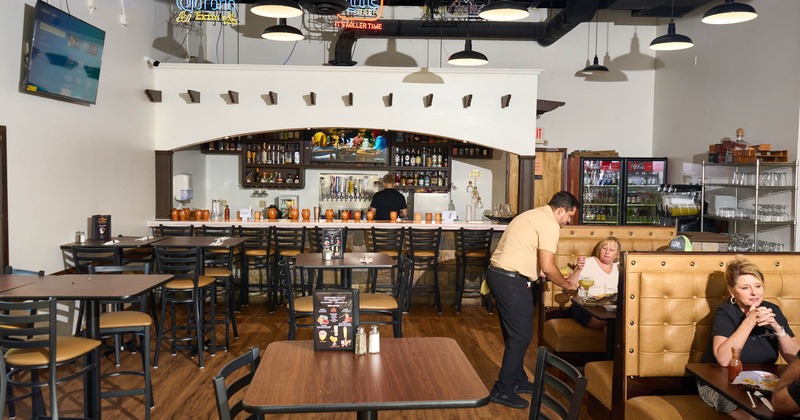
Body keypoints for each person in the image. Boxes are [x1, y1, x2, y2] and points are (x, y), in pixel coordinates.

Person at [486, 191, 579, 409]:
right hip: (511, 279)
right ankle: (503, 389)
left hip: (500, 275)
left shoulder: (533, 214)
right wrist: (567, 286)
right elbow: (548, 266)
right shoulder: (550, 223)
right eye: (569, 216)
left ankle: (517, 380)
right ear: (561, 210)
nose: (568, 222)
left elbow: (532, 257)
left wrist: (545, 273)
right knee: (521, 335)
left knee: (515, 334)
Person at [699, 256, 800, 418]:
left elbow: (796, 359)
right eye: (745, 288)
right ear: (732, 291)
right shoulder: (725, 313)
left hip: (763, 383)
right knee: (751, 415)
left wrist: (777, 328)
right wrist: (750, 321)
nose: (754, 292)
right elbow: (724, 359)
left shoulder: (772, 310)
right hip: (721, 383)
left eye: (758, 286)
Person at [567, 236, 621, 329]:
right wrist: (578, 270)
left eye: (611, 250)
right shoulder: (587, 263)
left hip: (612, 308)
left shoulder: (620, 266)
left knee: (616, 323)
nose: (607, 252)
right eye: (604, 248)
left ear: (617, 254)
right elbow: (570, 287)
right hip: (587, 307)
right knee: (611, 325)